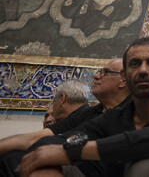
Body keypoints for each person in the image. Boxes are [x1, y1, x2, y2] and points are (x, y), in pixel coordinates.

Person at [20, 37, 149, 177]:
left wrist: (76, 151)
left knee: (146, 165)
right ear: (125, 75)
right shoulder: (109, 115)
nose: (95, 76)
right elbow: (58, 139)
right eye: (135, 64)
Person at [0, 59, 128, 159]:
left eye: (104, 72)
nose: (95, 76)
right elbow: (42, 137)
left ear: (123, 80)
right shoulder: (87, 113)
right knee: (13, 157)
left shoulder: (133, 113)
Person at [0, 79, 91, 177]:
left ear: (62, 98)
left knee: (13, 158)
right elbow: (34, 139)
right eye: (46, 116)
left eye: (53, 100)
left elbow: (32, 140)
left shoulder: (89, 117)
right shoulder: (79, 116)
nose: (49, 120)